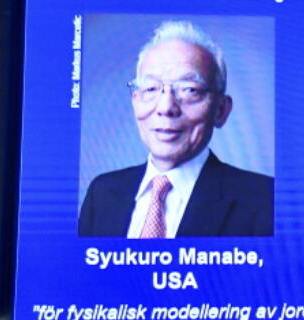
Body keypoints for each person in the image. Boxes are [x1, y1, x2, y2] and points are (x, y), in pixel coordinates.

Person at [78, 20, 273, 237]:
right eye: (151, 88)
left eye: (189, 90)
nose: (166, 107)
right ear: (135, 101)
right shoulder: (102, 193)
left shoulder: (265, 200)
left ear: (221, 110)